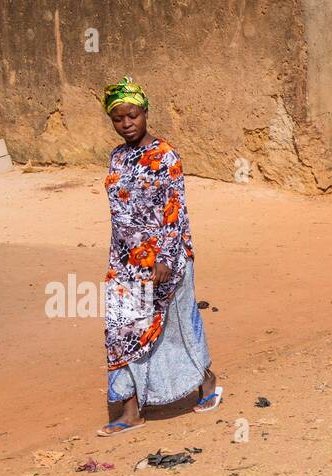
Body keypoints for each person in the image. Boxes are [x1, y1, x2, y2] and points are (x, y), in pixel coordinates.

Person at [97, 77, 221, 436]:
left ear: (145, 112)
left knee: (176, 327)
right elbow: (120, 216)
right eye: (118, 118)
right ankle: (130, 408)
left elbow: (174, 210)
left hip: (166, 260)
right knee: (120, 330)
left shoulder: (166, 156)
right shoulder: (117, 157)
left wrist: (165, 259)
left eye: (132, 115)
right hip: (124, 262)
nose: (126, 124)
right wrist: (119, 261)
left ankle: (207, 382)